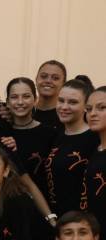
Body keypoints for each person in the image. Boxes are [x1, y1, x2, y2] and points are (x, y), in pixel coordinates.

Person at [45, 79, 100, 218]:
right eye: (61, 100)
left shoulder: (95, 138)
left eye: (73, 102)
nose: (64, 106)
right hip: (58, 221)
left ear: (85, 107)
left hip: (85, 225)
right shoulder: (55, 136)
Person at [5, 77, 59, 196]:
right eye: (14, 97)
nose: (20, 102)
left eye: (26, 96)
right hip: (10, 202)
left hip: (45, 202)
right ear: (7, 102)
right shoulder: (2, 134)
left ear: (35, 99)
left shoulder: (50, 133)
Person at [83, 86, 106, 240]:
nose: (93, 113)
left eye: (102, 108)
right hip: (95, 239)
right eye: (89, 109)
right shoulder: (95, 148)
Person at [34, 60, 67, 129]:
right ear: (36, 79)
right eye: (43, 76)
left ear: (63, 84)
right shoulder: (25, 112)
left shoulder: (66, 115)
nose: (48, 81)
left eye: (55, 78)